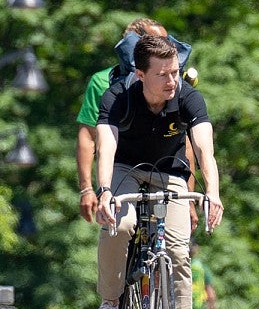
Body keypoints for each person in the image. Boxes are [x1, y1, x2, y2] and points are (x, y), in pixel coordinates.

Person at [93, 35, 225, 309]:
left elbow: (204, 148)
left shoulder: (187, 96)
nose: (171, 81)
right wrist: (104, 191)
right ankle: (109, 304)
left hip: (170, 173)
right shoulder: (118, 99)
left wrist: (212, 192)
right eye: (163, 74)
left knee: (178, 253)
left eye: (176, 72)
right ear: (140, 75)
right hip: (125, 169)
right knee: (119, 227)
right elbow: (105, 148)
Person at [76, 19, 200, 229]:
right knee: (119, 227)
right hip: (121, 167)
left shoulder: (171, 83)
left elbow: (183, 138)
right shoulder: (103, 81)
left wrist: (188, 197)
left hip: (165, 168)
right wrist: (88, 189)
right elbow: (89, 137)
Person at [190, 242, 217, 309]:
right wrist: (212, 302)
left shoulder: (177, 264)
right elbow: (208, 286)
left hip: (184, 303)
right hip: (199, 304)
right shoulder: (201, 266)